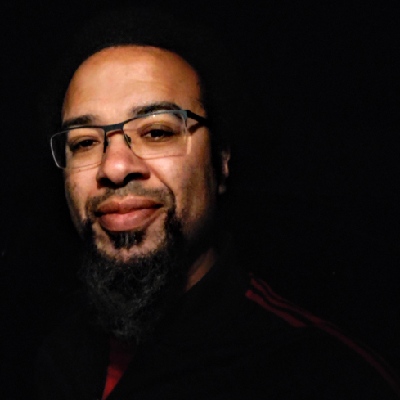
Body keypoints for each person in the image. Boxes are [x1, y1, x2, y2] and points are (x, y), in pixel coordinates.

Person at [36, 7, 400, 399]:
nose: (114, 166)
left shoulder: (321, 374)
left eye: (157, 132)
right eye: (84, 142)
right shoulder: (55, 356)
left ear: (221, 162)